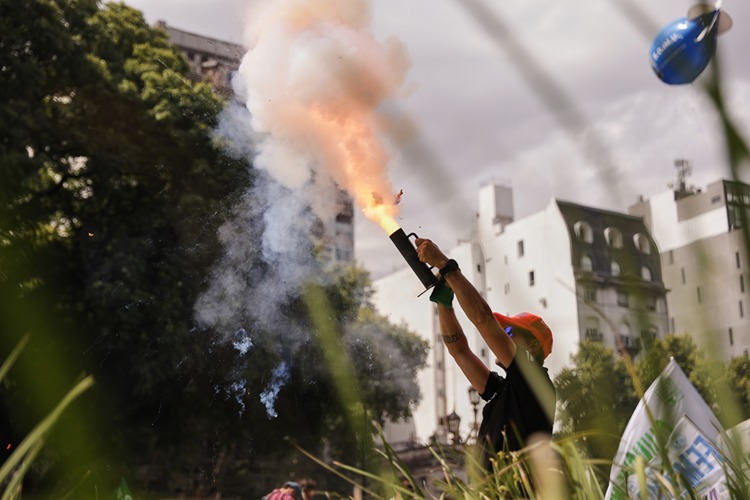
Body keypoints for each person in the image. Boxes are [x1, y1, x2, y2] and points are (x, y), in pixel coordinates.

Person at [415, 237, 556, 472]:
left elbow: (483, 319)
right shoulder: (507, 390)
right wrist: (444, 301)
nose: (502, 334)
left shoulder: (536, 382)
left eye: (509, 332)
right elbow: (459, 351)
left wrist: (446, 266)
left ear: (532, 347)